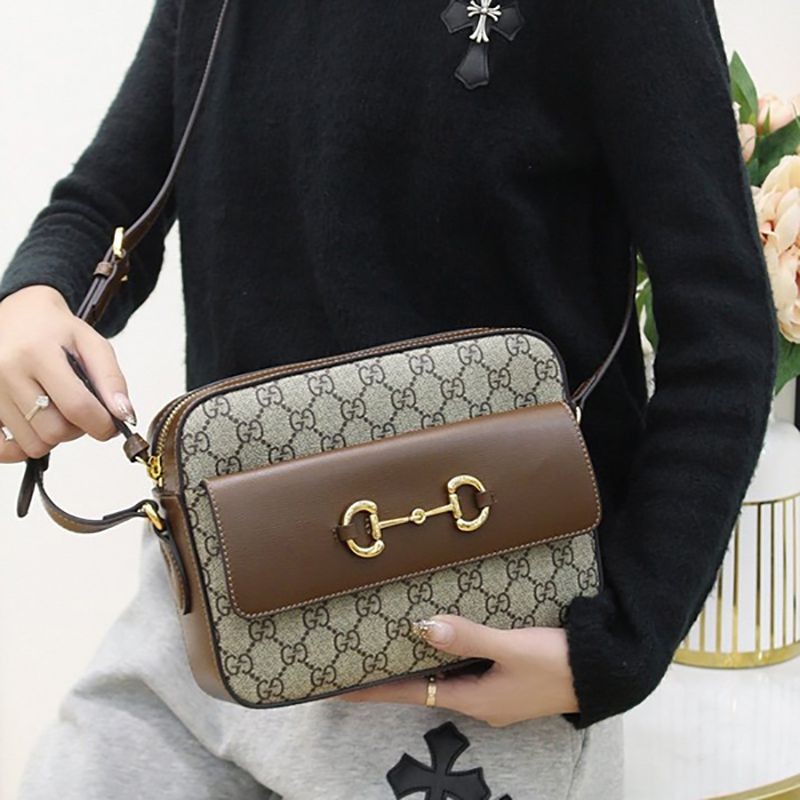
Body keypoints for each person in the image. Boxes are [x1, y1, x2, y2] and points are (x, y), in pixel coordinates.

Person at [0, 0, 779, 798]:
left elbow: (722, 320)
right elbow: (108, 203)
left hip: (464, 643)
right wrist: (33, 298)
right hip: (206, 604)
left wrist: (621, 642)